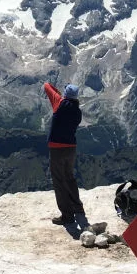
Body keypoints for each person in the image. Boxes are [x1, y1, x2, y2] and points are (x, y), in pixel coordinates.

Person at [43, 82, 86, 225]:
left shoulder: (59, 102)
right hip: (71, 148)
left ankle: (67, 216)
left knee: (59, 181)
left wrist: (58, 93)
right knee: (69, 177)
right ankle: (78, 208)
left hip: (57, 149)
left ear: (66, 94)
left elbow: (46, 86)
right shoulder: (77, 111)